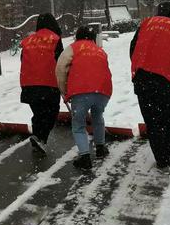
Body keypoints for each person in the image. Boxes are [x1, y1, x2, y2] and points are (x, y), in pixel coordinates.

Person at [130, 1, 170, 168]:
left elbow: (133, 49)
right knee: (166, 117)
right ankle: (169, 151)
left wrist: (140, 71)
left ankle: (161, 158)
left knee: (152, 121)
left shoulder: (145, 25)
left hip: (143, 81)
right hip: (167, 83)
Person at [56, 25, 112, 170]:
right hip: (102, 90)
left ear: (77, 37)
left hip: (80, 92)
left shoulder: (73, 48)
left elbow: (61, 69)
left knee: (79, 125)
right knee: (97, 117)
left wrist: (64, 91)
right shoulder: (100, 51)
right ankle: (100, 148)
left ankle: (85, 157)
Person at [20, 13, 64, 154]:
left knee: (38, 112)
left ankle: (37, 138)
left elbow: (23, 59)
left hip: (29, 84)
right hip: (48, 83)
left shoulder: (28, 40)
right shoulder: (55, 39)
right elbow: (61, 62)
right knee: (51, 112)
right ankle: (40, 138)